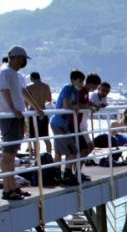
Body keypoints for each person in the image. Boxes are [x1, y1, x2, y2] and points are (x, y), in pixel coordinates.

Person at [0, 46, 45, 200]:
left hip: (18, 116)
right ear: (14, 57)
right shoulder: (4, 71)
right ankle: (7, 189)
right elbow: (4, 90)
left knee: (13, 152)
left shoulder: (18, 75)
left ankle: (13, 186)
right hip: (9, 116)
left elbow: (24, 92)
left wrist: (37, 108)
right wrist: (13, 109)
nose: (23, 62)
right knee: (8, 152)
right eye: (21, 58)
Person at [50, 70, 90, 185]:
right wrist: (74, 107)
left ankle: (57, 175)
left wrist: (78, 107)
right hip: (58, 123)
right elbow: (66, 105)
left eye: (83, 81)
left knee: (58, 151)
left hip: (63, 124)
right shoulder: (68, 88)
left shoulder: (76, 91)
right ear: (73, 80)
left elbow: (76, 104)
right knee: (73, 150)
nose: (82, 83)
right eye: (80, 81)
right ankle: (67, 174)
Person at [25, 71, 53, 156]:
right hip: (43, 112)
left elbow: (25, 102)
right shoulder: (46, 86)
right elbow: (49, 99)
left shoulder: (28, 87)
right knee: (46, 137)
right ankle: (49, 156)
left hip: (32, 113)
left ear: (31, 78)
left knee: (34, 138)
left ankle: (37, 159)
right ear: (39, 77)